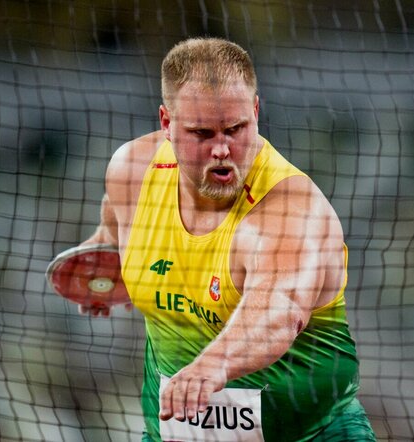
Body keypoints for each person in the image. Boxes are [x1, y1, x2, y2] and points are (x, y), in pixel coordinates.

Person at [80, 37, 375, 441]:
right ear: (166, 123)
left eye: (235, 129)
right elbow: (115, 217)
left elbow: (277, 311)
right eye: (202, 133)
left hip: (313, 435)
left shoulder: (291, 209)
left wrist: (213, 365)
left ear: (255, 111)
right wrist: (100, 254)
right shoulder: (133, 170)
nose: (222, 149)